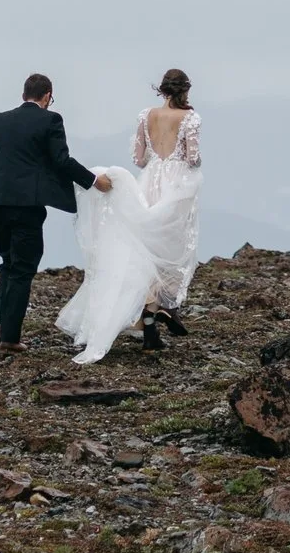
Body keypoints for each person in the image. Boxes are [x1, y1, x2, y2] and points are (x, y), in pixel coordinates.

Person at [54, 68, 204, 363]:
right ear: (185, 90)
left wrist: (158, 158)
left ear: (161, 90)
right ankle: (158, 310)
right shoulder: (190, 118)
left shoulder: (146, 116)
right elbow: (193, 157)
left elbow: (139, 158)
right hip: (176, 187)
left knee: (144, 252)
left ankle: (149, 325)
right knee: (170, 252)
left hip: (148, 182)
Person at [0, 73, 110, 355]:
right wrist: (95, 181)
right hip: (27, 206)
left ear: (24, 95)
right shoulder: (50, 120)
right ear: (47, 96)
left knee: (8, 263)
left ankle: (3, 327)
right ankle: (9, 338)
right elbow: (61, 161)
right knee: (23, 268)